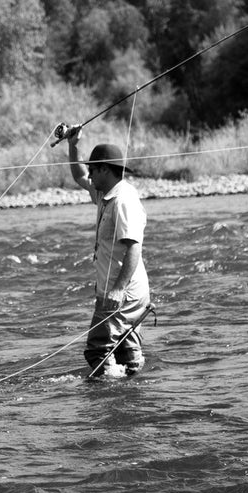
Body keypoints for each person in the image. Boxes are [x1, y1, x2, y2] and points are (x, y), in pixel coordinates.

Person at [62, 126, 150, 376]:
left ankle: (107, 401)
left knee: (97, 351)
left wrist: (118, 290)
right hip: (117, 292)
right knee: (126, 356)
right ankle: (131, 397)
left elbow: (133, 246)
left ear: (105, 170)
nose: (89, 174)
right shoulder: (105, 193)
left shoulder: (123, 200)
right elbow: (79, 177)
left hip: (122, 294)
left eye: (93, 169)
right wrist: (73, 145)